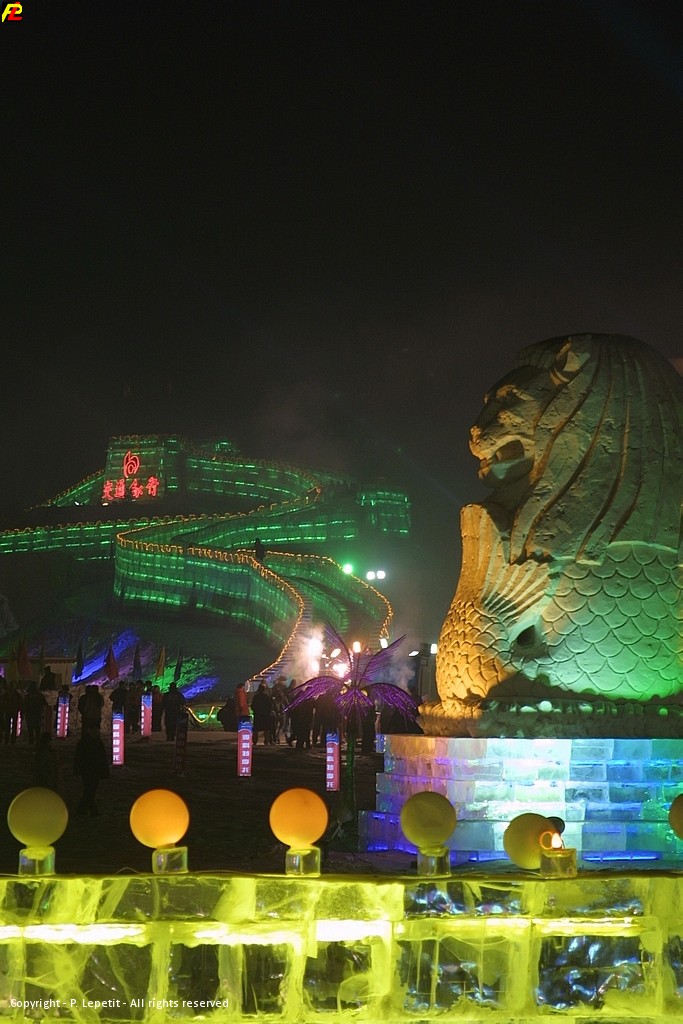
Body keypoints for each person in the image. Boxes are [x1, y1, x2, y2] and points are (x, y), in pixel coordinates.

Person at [74, 723, 110, 816]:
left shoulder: (96, 742)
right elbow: (79, 758)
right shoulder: (86, 743)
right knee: (89, 791)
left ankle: (84, 809)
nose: (96, 732)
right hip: (88, 771)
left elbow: (102, 758)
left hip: (94, 771)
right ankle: (90, 810)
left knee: (90, 791)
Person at [23, 680, 48, 745]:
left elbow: (24, 705)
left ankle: (31, 740)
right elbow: (45, 703)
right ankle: (37, 740)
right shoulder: (40, 695)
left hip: (30, 714)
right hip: (37, 713)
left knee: (30, 728)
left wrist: (24, 711)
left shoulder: (28, 696)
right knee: (37, 728)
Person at [250, 681, 273, 745]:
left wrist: (255, 711)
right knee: (266, 729)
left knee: (256, 729)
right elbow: (269, 706)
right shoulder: (266, 697)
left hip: (257, 715)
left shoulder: (256, 697)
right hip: (265, 715)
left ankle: (255, 741)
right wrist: (268, 712)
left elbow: (253, 706)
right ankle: (266, 741)